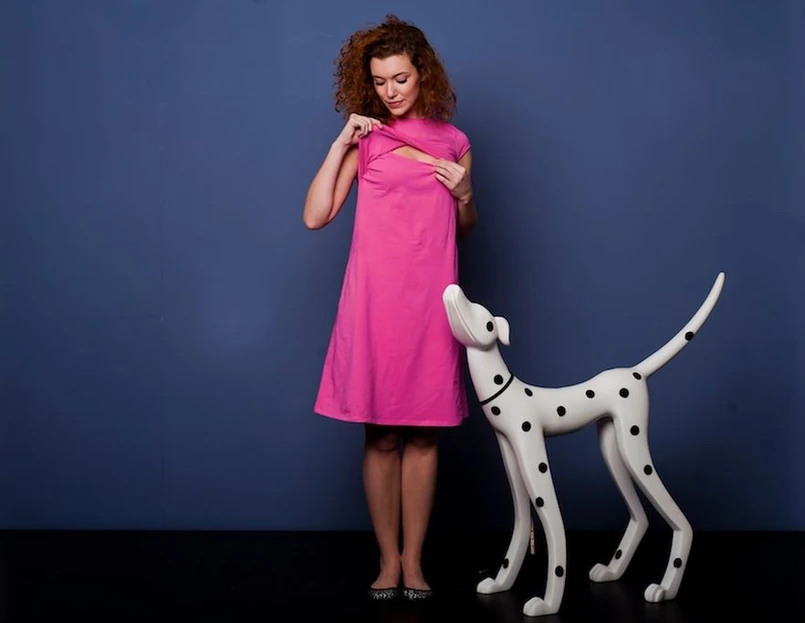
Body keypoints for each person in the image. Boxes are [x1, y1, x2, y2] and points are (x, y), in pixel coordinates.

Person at [302, 14, 478, 600]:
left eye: (400, 78)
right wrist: (340, 143)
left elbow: (465, 228)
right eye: (379, 82)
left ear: (422, 73)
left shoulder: (455, 143)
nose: (390, 91)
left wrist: (464, 195)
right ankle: (387, 560)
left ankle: (414, 561)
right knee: (380, 435)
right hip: (375, 302)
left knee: (425, 437)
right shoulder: (368, 140)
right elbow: (316, 216)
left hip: (432, 302)